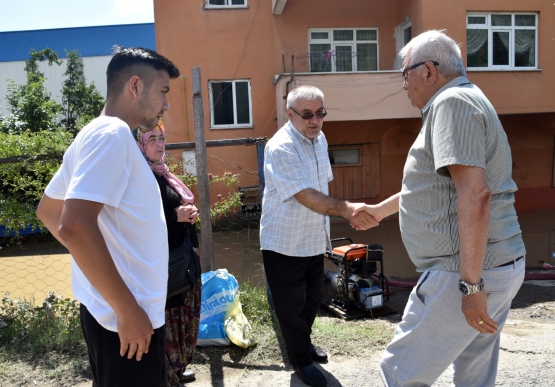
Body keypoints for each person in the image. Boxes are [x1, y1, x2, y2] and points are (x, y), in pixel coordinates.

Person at [354, 30, 526, 386]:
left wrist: (470, 287)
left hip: (464, 272)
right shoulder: (465, 99)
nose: (403, 84)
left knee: (401, 373)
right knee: (474, 373)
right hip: (495, 264)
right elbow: (438, 187)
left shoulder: (452, 104)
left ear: (429, 71)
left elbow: (475, 195)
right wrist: (381, 210)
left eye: (405, 74)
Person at [36, 47, 180, 387]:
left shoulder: (94, 134)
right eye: (163, 91)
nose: (166, 104)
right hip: (127, 324)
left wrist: (100, 280)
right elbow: (71, 225)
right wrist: (127, 309)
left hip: (116, 317)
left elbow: (49, 211)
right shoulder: (111, 135)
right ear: (135, 86)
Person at [260, 85, 378, 387]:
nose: (315, 121)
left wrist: (341, 214)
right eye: (307, 115)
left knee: (313, 300)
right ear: (290, 114)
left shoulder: (319, 138)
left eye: (320, 114)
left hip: (312, 238)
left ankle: (304, 345)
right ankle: (300, 361)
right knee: (291, 307)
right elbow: (305, 195)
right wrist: (346, 209)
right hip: (283, 243)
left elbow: (321, 187)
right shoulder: (281, 146)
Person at [135, 122, 201, 386]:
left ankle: (177, 366)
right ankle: (169, 373)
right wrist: (177, 215)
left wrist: (188, 215)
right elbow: (138, 222)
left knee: (184, 318)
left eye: (162, 138)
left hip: (181, 259)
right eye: (152, 139)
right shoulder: (139, 176)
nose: (160, 144)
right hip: (164, 267)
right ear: (140, 144)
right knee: (169, 320)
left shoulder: (163, 173)